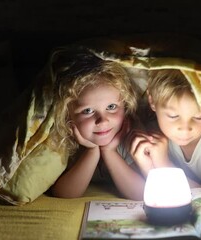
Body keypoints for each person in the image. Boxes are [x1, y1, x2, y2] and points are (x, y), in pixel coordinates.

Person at [49, 49, 145, 200]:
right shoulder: (66, 141)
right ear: (68, 116)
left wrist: (109, 151)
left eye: (111, 107)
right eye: (87, 111)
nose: (103, 120)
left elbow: (140, 194)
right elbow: (64, 193)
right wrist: (92, 152)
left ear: (125, 107)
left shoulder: (129, 137)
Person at [130, 69, 201, 193]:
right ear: (152, 101)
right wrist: (146, 165)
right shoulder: (154, 134)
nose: (185, 128)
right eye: (173, 116)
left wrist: (163, 163)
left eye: (198, 117)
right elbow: (151, 190)